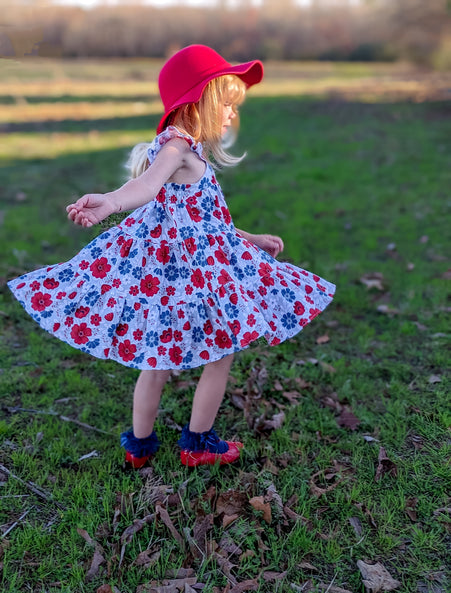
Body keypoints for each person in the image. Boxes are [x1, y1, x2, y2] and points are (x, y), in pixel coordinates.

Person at [8, 45, 336, 468]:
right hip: (192, 280)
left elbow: (207, 222)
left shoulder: (189, 152)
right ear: (201, 102)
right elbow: (144, 187)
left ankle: (139, 447)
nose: (233, 116)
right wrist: (108, 202)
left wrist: (252, 239)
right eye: (229, 105)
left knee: (157, 360)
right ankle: (197, 444)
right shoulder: (176, 149)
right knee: (220, 354)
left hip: (181, 276)